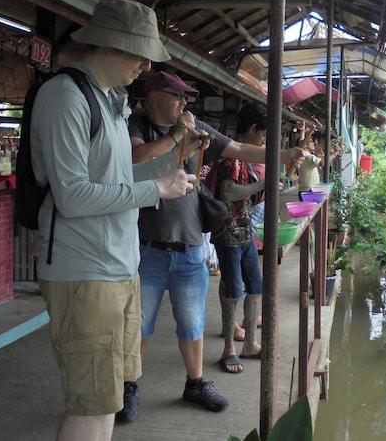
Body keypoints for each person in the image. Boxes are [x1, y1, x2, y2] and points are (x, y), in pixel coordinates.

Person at [32, 0, 203, 441]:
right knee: (91, 403)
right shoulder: (64, 97)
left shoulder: (111, 103)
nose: (144, 64)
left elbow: (117, 176)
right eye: (137, 51)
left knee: (108, 398)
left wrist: (165, 176)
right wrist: (155, 190)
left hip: (119, 267)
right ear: (107, 46)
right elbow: (72, 196)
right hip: (84, 272)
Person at [125, 72, 305, 419]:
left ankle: (195, 383)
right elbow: (137, 160)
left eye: (185, 98)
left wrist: (281, 155)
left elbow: (236, 148)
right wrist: (178, 136)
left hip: (191, 245)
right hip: (146, 247)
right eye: (174, 95)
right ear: (152, 96)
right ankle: (129, 386)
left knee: (192, 324)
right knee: (139, 326)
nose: (182, 103)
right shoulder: (137, 125)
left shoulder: (198, 127)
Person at [210, 104, 272, 373]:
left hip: (245, 233)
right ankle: (228, 349)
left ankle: (250, 344)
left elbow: (249, 195)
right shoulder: (231, 157)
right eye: (263, 135)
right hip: (228, 234)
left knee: (256, 287)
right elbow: (227, 191)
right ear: (252, 129)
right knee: (234, 290)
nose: (264, 141)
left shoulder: (244, 158)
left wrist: (266, 188)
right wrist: (262, 185)